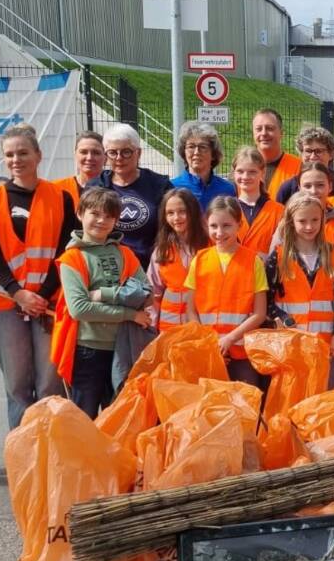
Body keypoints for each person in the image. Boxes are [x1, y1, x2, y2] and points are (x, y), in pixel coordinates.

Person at [0, 124, 78, 428]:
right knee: (17, 386)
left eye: (23, 152)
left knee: (50, 384)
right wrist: (19, 293)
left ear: (38, 155)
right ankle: (23, 451)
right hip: (7, 304)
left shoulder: (61, 198)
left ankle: (51, 448)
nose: (16, 159)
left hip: (48, 302)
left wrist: (42, 293)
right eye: (9, 154)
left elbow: (66, 250)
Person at [51, 187, 152, 418]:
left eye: (108, 216)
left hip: (124, 348)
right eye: (95, 214)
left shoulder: (125, 253)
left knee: (118, 417)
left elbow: (146, 295)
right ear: (80, 214)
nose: (101, 221)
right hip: (88, 349)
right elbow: (80, 309)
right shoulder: (72, 258)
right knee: (84, 419)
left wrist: (104, 294)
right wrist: (130, 314)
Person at [96, 123, 173, 387]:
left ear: (139, 153)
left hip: (146, 283)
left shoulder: (158, 185)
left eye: (126, 152)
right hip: (107, 281)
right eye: (113, 153)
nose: (119, 158)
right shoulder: (98, 186)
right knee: (110, 362)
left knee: (143, 361)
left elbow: (170, 229)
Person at [267, 192, 334, 377]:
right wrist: (281, 318)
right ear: (291, 222)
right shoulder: (279, 256)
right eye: (302, 221)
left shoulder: (333, 254)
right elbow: (265, 299)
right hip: (290, 346)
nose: (309, 226)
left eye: (315, 220)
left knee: (325, 400)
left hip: (326, 344)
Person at [186, 195, 269, 386]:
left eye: (226, 226)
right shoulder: (199, 260)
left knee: (244, 404)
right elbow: (191, 309)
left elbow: (259, 313)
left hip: (241, 351)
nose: (219, 232)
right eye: (214, 226)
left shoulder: (253, 261)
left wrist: (230, 338)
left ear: (239, 225)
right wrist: (209, 340)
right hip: (208, 349)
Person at [148, 188, 209, 334]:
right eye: (170, 213)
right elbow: (153, 292)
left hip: (203, 326)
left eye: (182, 211)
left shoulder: (210, 245)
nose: (176, 218)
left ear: (193, 212)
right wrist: (151, 327)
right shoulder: (162, 250)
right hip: (170, 329)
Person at [170, 121, 234, 210]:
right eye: (191, 147)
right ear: (184, 152)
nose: (196, 152)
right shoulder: (171, 188)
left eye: (203, 147)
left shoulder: (228, 190)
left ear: (213, 154)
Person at [234, 146, 284, 254]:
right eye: (240, 171)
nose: (245, 176)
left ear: (262, 173)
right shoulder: (227, 209)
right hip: (233, 269)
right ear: (234, 173)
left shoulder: (278, 211)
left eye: (252, 172)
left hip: (266, 270)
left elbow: (285, 249)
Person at [275, 125, 334, 203]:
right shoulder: (288, 188)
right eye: (308, 151)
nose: (313, 157)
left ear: (331, 154)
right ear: (301, 154)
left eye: (319, 151)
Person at [252, 108, 302, 200]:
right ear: (253, 134)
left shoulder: (299, 166)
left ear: (281, 133)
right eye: (258, 129)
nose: (263, 133)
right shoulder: (242, 168)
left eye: (270, 128)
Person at [57, 130, 104, 205]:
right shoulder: (57, 188)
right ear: (75, 155)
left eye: (96, 153)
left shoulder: (115, 188)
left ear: (105, 157)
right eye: (83, 152)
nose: (89, 158)